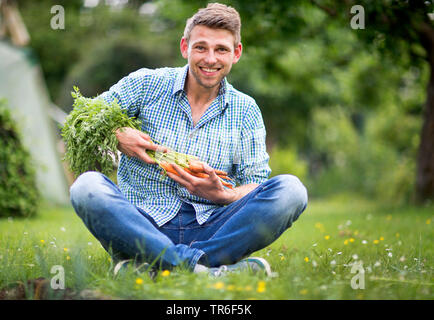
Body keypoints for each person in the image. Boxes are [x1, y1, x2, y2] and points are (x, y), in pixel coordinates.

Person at [70, 3, 308, 277]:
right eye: (201, 47)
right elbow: (80, 118)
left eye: (221, 49)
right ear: (185, 47)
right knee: (85, 187)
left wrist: (224, 195)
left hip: (212, 228)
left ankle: (156, 266)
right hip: (142, 222)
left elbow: (256, 182)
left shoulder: (246, 110)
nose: (210, 59)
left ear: (236, 53)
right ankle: (205, 270)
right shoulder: (146, 84)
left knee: (291, 190)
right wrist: (116, 135)